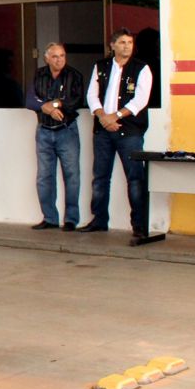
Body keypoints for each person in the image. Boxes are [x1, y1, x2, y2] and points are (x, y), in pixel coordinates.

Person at [78, 29, 154, 238]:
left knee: (135, 178)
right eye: (122, 42)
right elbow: (92, 95)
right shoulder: (100, 66)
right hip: (103, 130)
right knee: (100, 177)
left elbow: (140, 100)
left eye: (130, 42)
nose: (127, 46)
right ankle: (99, 220)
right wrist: (103, 116)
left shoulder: (142, 68)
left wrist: (117, 116)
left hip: (129, 132)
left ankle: (139, 225)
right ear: (112, 45)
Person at [26, 43, 85, 231]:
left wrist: (55, 105)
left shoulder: (74, 75)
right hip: (44, 131)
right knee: (44, 177)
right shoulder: (39, 74)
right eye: (55, 56)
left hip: (66, 131)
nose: (59, 59)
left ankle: (71, 219)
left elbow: (76, 100)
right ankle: (49, 218)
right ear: (46, 58)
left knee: (72, 175)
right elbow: (29, 99)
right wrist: (45, 108)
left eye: (62, 56)